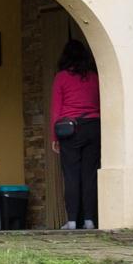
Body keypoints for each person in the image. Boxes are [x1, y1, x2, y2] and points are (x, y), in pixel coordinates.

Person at [50, 38, 101, 229]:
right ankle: (89, 220)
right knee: (90, 175)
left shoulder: (61, 77)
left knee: (71, 175)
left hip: (70, 129)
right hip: (94, 127)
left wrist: (54, 137)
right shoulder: (95, 77)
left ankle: (71, 221)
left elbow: (56, 109)